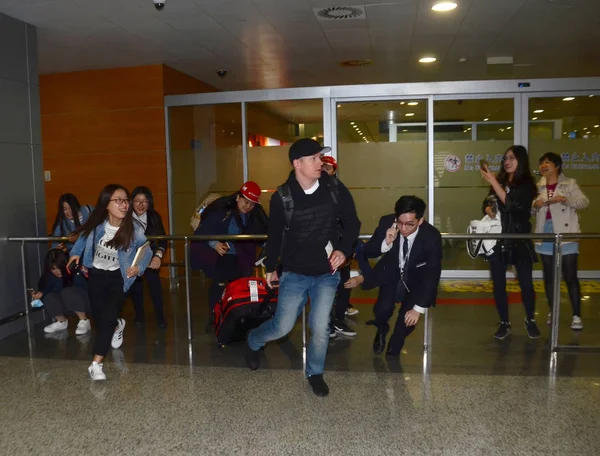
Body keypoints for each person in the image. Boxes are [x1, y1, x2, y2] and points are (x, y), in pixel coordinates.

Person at [245, 138, 361, 397]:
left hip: (326, 274)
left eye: (320, 157)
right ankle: (253, 341)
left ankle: (315, 372)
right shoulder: (282, 197)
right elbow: (274, 236)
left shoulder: (335, 189)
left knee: (321, 328)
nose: (320, 162)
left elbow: (353, 223)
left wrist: (343, 250)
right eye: (314, 158)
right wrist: (271, 267)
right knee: (281, 326)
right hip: (295, 272)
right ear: (297, 164)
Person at [69, 184, 152, 381]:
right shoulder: (97, 227)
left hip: (119, 278)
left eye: (125, 200)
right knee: (100, 315)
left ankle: (96, 364)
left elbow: (147, 250)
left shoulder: (134, 228)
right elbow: (81, 241)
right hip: (97, 276)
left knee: (105, 319)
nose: (124, 205)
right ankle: (117, 324)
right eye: (119, 200)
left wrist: (138, 267)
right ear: (107, 204)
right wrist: (74, 255)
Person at [361, 196, 442, 356]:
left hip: (416, 282)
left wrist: (418, 309)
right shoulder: (387, 223)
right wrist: (386, 242)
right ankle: (382, 328)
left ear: (420, 221)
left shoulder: (431, 236)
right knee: (381, 311)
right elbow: (368, 250)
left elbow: (432, 274)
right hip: (392, 276)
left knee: (404, 328)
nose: (403, 228)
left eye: (410, 224)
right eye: (400, 222)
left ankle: (394, 349)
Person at [480, 145, 539, 340]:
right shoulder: (500, 181)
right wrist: (488, 209)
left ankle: (530, 319)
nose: (507, 161)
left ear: (521, 160)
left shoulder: (527, 185)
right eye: (505, 158)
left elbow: (513, 205)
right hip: (498, 239)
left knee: (526, 284)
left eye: (512, 158)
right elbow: (487, 202)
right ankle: (504, 322)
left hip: (519, 238)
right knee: (498, 284)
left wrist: (494, 182)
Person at [192, 181, 269, 315]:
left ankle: (234, 316)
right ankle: (215, 317)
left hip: (240, 259)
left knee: (237, 289)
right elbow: (203, 230)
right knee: (219, 287)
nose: (248, 206)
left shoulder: (253, 216)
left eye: (251, 204)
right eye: (245, 202)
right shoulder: (221, 212)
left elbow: (260, 233)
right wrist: (214, 243)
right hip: (221, 257)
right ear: (238, 197)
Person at [532, 152, 589, 330]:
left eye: (547, 162)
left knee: (570, 276)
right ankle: (553, 311)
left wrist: (565, 199)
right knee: (549, 277)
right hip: (545, 231)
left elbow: (584, 202)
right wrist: (535, 205)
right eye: (541, 163)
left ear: (557, 166)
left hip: (566, 232)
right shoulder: (538, 186)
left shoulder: (569, 183)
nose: (543, 165)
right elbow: (531, 212)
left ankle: (576, 315)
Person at [320, 154, 358, 337]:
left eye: (329, 167)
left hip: (341, 246)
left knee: (343, 284)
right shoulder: (314, 188)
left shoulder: (339, 190)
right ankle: (327, 322)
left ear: (334, 170)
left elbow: (351, 221)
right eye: (323, 166)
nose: (325, 170)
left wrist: (346, 247)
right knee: (325, 287)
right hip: (322, 248)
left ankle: (338, 319)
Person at [130, 186, 168, 328]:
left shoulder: (154, 216)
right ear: (131, 202)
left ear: (149, 202)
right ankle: (139, 315)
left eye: (144, 201)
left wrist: (158, 256)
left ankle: (160, 316)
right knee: (135, 288)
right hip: (132, 259)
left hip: (151, 258)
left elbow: (163, 239)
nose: (141, 205)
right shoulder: (125, 218)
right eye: (137, 201)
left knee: (155, 287)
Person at [33, 248, 91, 336]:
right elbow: (44, 292)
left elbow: (87, 288)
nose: (58, 271)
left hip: (85, 303)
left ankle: (84, 321)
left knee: (67, 291)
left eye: (60, 268)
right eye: (53, 269)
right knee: (48, 296)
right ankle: (61, 321)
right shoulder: (49, 277)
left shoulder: (76, 270)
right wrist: (37, 296)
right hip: (68, 306)